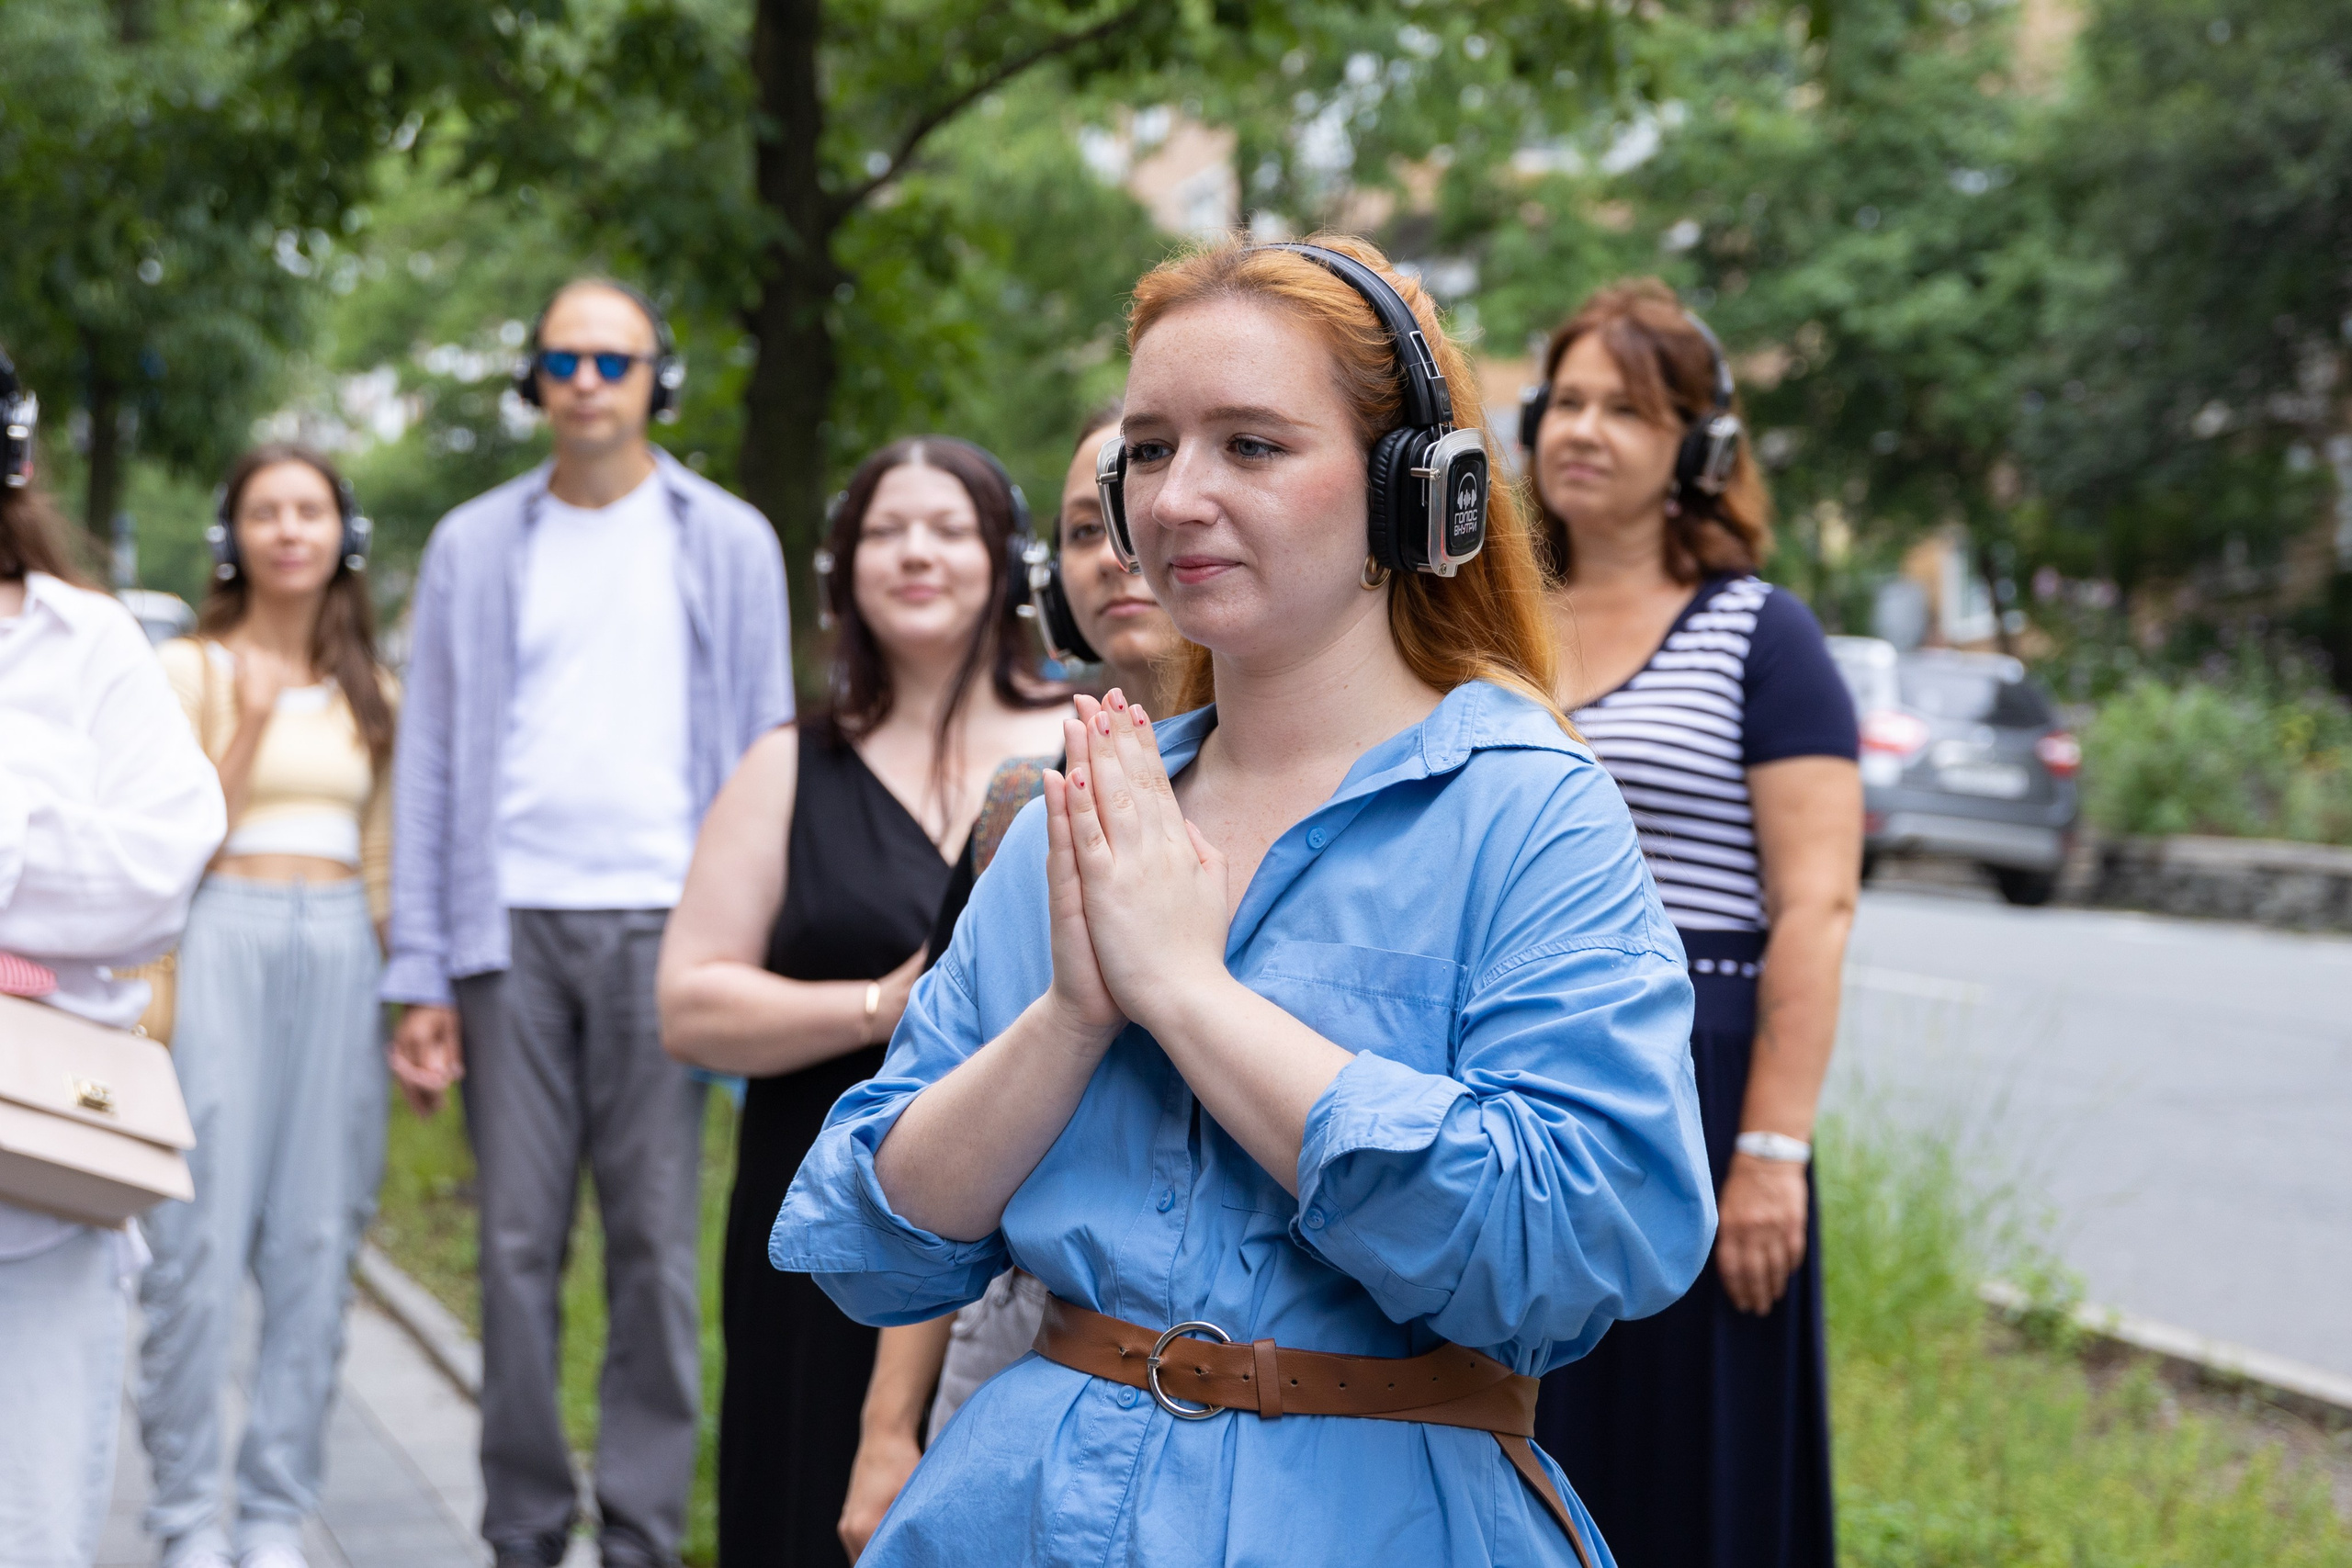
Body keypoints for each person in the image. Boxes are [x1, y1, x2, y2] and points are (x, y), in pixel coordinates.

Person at [769, 235, 1716, 1568]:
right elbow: (864, 1245)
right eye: (1148, 449)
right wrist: (1069, 1018)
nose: (1175, 499)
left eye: (1252, 446)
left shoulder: (1528, 810)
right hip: (1017, 1516)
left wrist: (1191, 995)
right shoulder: (1081, 809)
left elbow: (1578, 1238)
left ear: (1416, 494)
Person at [382, 279, 793, 1568]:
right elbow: (434, 759)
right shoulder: (471, 546)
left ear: (654, 377)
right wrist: (425, 971)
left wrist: (747, 947)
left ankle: (640, 1532)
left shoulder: (726, 540)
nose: (587, 377)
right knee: (512, 1246)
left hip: (667, 931)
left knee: (657, 1250)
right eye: (563, 355)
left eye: (613, 357)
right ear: (536, 377)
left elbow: (764, 751)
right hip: (506, 927)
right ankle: (519, 1526)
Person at [657, 435, 1069, 1564]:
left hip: (1019, 1221)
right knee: (803, 1500)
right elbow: (688, 1005)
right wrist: (887, 1008)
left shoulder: (1084, 744)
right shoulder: (788, 763)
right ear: (844, 568)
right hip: (821, 1204)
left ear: (1003, 558)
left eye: (947, 528)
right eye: (885, 532)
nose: (915, 554)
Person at [1522, 278, 1861, 1568]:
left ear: (1700, 449)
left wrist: (1771, 1147)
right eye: (1567, 400)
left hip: (1702, 1081)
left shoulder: (1763, 638)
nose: (1584, 428)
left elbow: (1816, 905)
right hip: (1518, 1067)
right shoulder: (1480, 630)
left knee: (1690, 1458)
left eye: (1629, 407)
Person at [835, 403, 1187, 1560]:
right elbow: (932, 1117)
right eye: (1091, 525)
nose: (1122, 550)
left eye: (1133, 520)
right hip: (1017, 1334)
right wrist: (890, 1429)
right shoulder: (1017, 814)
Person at [136, 446, 401, 1568]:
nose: (289, 529)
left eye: (311, 510)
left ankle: (271, 1511)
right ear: (231, 536)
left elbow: (384, 864)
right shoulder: (189, 668)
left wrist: (414, 1009)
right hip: (223, 939)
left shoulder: (371, 691)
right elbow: (171, 839)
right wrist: (244, 717)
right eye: (264, 511)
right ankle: (186, 1512)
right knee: (196, 1245)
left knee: (314, 1243)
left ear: (342, 534)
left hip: (340, 950)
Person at [0, 346, 225, 1568]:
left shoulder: (87, 640)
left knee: (31, 1519)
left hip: (38, 1164)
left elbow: (154, 877)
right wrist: (38, 838)